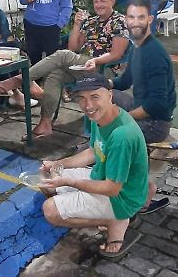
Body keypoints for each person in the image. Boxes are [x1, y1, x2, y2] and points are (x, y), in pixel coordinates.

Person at [0, 0, 130, 138]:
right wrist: (77, 24)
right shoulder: (91, 22)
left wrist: (95, 60)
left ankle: (18, 80)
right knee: (56, 74)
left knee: (61, 55)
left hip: (102, 69)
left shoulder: (120, 21)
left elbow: (117, 54)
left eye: (103, 1)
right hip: (81, 65)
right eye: (96, 1)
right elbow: (74, 48)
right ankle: (45, 123)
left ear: (112, 2)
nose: (99, 5)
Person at [40, 73, 148, 260]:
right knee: (48, 179)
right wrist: (58, 164)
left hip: (122, 196)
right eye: (82, 98)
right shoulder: (101, 116)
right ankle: (104, 215)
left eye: (94, 97)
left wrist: (71, 182)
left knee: (50, 210)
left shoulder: (122, 135)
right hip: (103, 177)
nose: (88, 106)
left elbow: (112, 189)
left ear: (110, 95)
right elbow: (92, 152)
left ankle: (115, 219)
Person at [112, 0, 176, 213]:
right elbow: (125, 81)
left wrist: (125, 117)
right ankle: (95, 152)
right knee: (101, 96)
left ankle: (137, 193)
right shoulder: (137, 46)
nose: (135, 22)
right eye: (131, 17)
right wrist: (104, 83)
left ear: (149, 19)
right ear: (126, 20)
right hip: (142, 108)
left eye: (141, 17)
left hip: (155, 123)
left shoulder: (154, 53)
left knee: (114, 132)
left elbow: (157, 104)